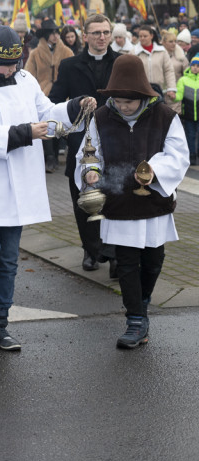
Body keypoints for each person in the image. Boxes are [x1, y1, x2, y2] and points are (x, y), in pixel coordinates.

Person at [0, 27, 95, 351]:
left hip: (17, 185)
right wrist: (24, 133)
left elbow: (47, 113)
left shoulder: (25, 81)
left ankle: (0, 321)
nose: (10, 70)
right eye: (4, 65)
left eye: (15, 63)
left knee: (9, 258)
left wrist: (74, 108)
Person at [76, 54, 188, 348]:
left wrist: (156, 170)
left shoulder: (165, 116)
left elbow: (178, 155)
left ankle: (144, 301)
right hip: (118, 203)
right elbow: (89, 154)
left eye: (129, 101)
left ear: (142, 96)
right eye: (118, 99)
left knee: (153, 259)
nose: (122, 106)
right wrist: (91, 172)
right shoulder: (100, 118)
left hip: (153, 203)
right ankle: (135, 320)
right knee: (125, 262)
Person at [49, 14, 120, 274]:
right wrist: (76, 104)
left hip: (115, 142)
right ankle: (91, 250)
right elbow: (54, 101)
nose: (102, 37)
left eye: (106, 32)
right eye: (96, 32)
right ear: (85, 35)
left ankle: (114, 255)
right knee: (83, 198)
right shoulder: (70, 65)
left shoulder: (122, 62)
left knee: (114, 197)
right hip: (82, 145)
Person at [25, 19, 74, 173]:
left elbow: (74, 72)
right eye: (52, 33)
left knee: (62, 122)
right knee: (44, 124)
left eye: (56, 32)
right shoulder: (36, 53)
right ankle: (50, 156)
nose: (55, 36)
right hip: (43, 92)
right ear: (45, 35)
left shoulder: (66, 52)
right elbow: (28, 74)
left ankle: (65, 153)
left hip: (63, 91)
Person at [133, 25, 176, 99]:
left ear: (151, 36)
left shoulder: (162, 51)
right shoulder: (134, 52)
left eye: (145, 36)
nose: (142, 38)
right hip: (140, 92)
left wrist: (171, 88)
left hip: (159, 91)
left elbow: (168, 70)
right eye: (140, 36)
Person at [175, 57, 199, 164]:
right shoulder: (183, 80)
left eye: (198, 66)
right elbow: (179, 96)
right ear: (190, 66)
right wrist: (173, 96)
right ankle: (192, 154)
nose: (195, 68)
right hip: (188, 114)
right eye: (193, 65)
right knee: (190, 134)